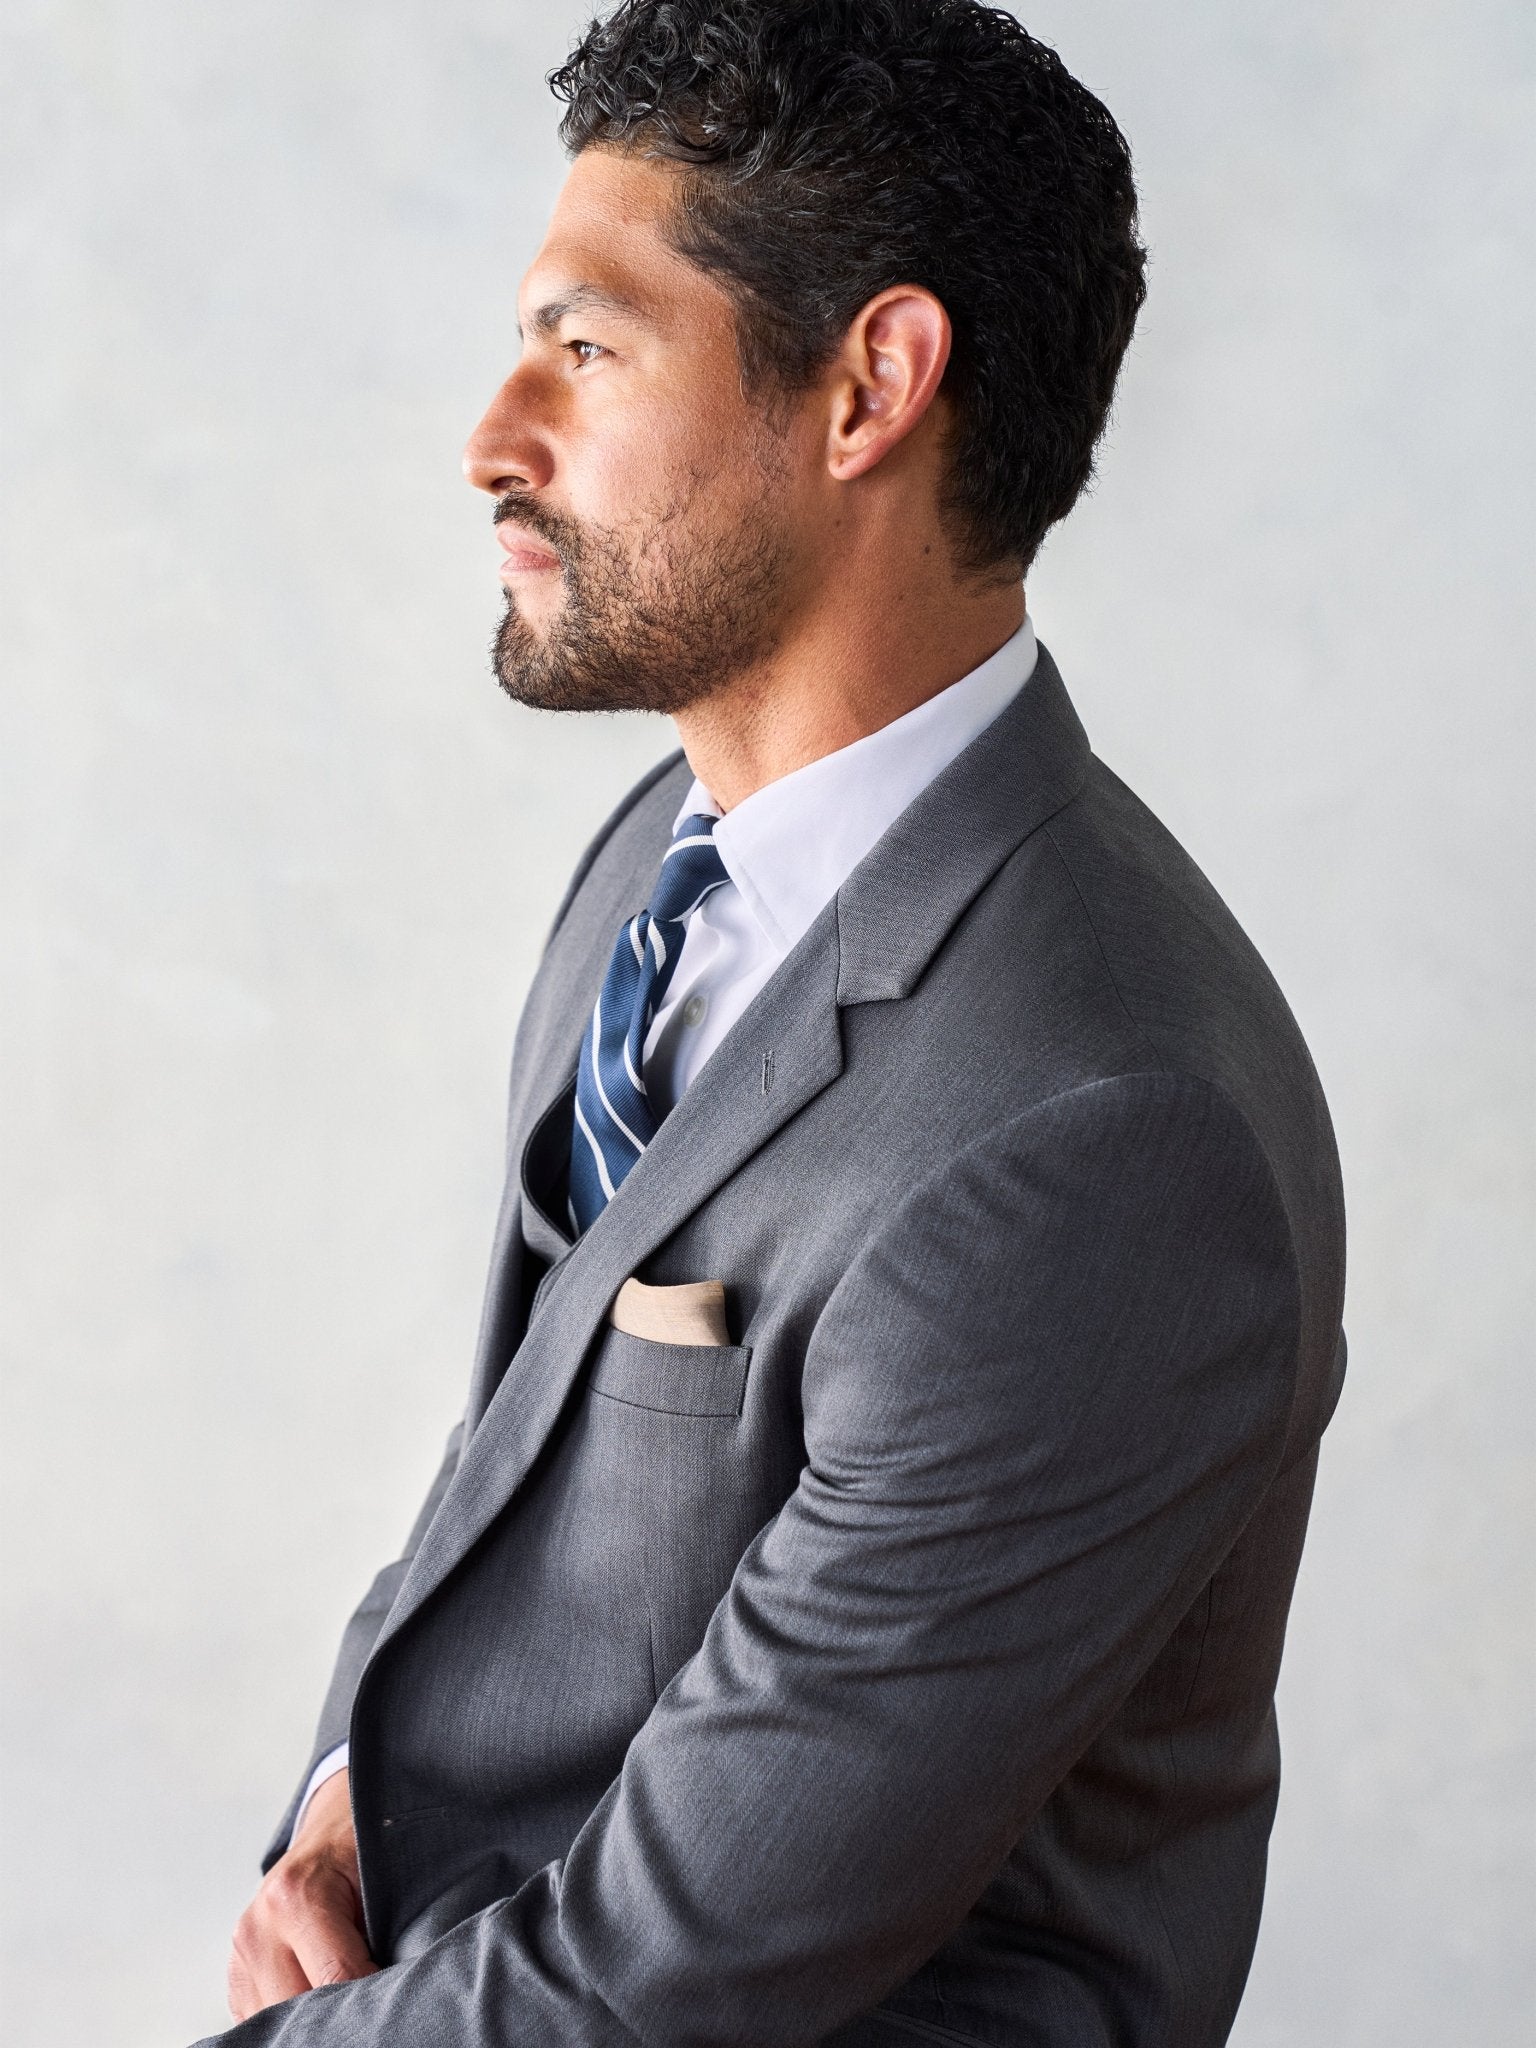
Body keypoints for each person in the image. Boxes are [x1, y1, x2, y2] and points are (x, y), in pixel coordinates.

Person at [208, 2, 1347, 2042]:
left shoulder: (1096, 1135)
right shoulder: (668, 852)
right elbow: (519, 1464)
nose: (493, 432)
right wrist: (338, 1815)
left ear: (870, 391)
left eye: (588, 345)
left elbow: (666, 1988)